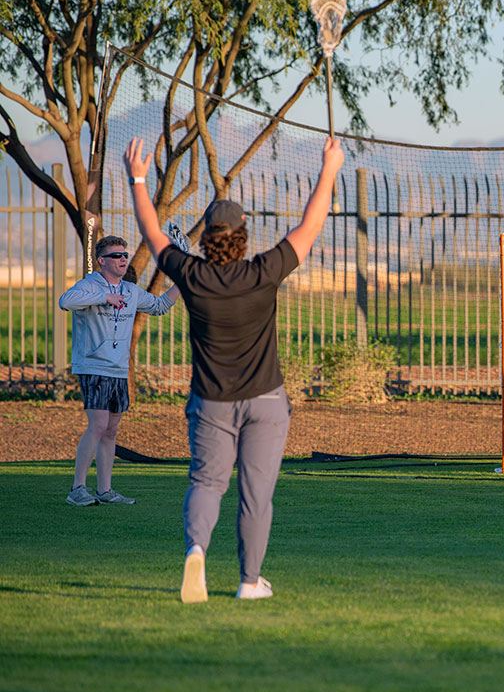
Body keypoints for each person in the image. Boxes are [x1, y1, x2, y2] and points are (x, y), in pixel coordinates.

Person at [124, 134, 344, 602]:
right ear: (244, 236)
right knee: (255, 494)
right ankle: (249, 582)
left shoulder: (192, 275)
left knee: (207, 483)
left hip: (210, 403)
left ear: (206, 240)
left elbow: (152, 234)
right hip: (266, 401)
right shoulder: (264, 271)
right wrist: (330, 168)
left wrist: (138, 179)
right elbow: (310, 225)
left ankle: (197, 549)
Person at [58, 235, 180, 506]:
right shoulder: (89, 285)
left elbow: (160, 306)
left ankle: (105, 490)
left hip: (118, 369)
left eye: (124, 255)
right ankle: (77, 489)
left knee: (111, 430)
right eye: (116, 256)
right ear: (102, 261)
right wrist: (104, 297)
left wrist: (181, 278)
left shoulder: (131, 291)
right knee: (99, 425)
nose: (123, 259)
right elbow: (65, 302)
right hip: (93, 364)